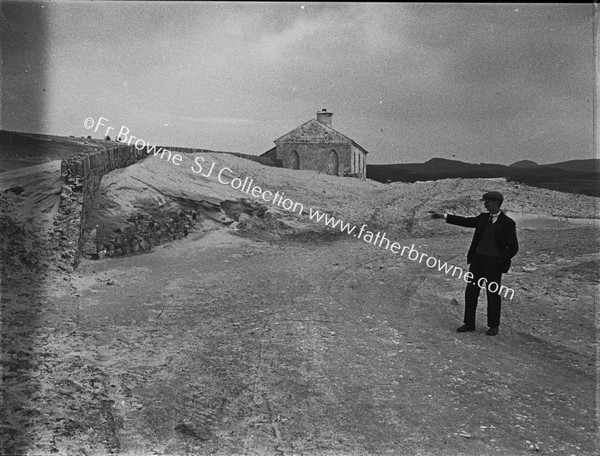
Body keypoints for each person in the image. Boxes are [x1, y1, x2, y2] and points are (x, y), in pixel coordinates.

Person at [430, 191, 518, 336]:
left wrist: (500, 260)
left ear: (497, 203)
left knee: (493, 294)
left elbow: (513, 247)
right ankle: (469, 323)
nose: (485, 204)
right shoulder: (482, 218)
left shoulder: (508, 223)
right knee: (471, 293)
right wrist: (442, 216)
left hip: (493, 264)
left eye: (487, 201)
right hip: (477, 261)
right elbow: (465, 221)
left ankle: (494, 325)